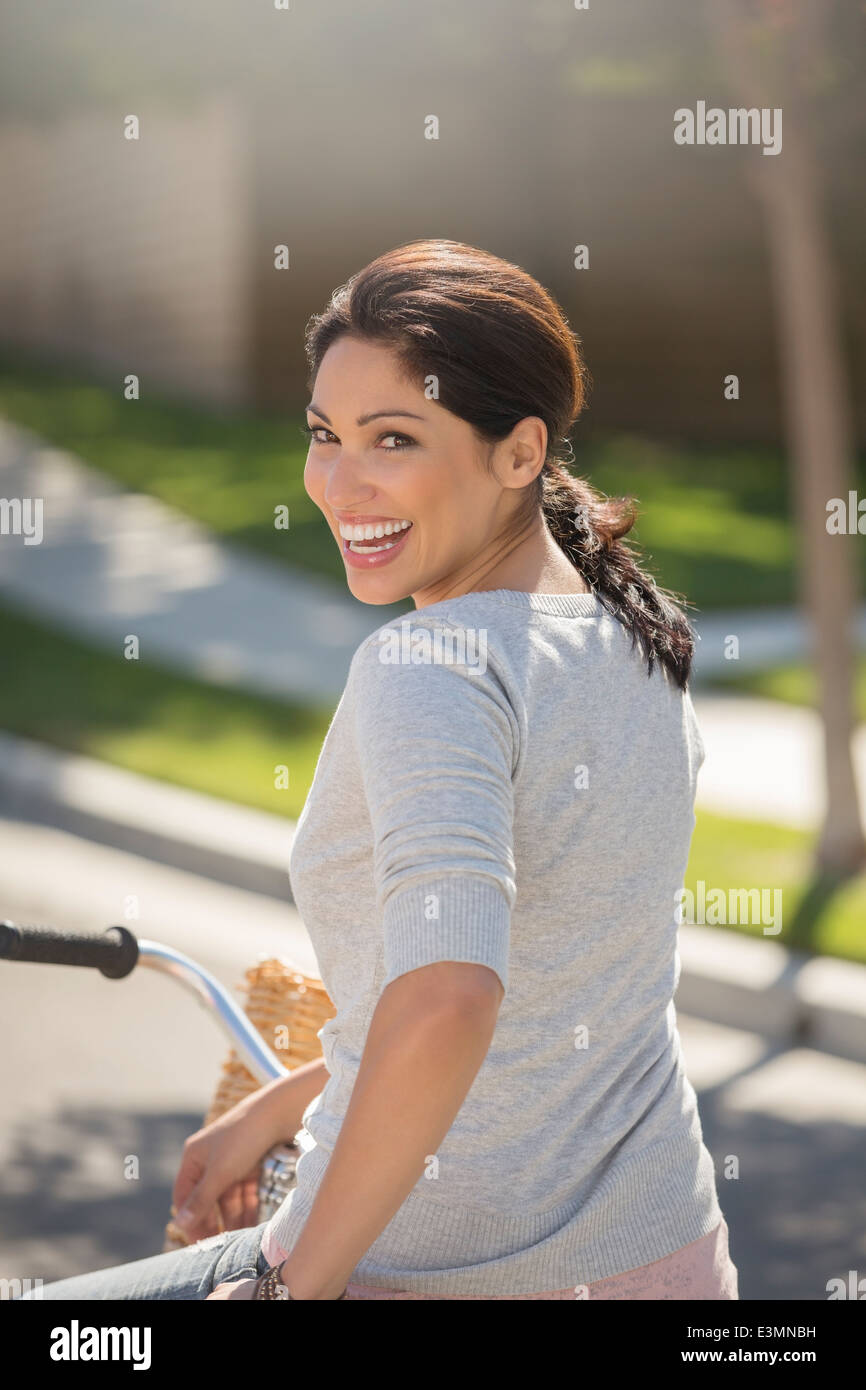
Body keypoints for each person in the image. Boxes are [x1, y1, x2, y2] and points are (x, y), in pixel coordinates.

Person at [25, 239, 738, 1301]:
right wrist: (289, 1100)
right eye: (325, 435)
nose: (339, 483)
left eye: (393, 439)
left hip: (418, 1271)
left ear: (519, 452)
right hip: (668, 1260)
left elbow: (449, 996)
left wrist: (290, 1289)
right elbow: (561, 992)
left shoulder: (434, 663)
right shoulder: (637, 642)